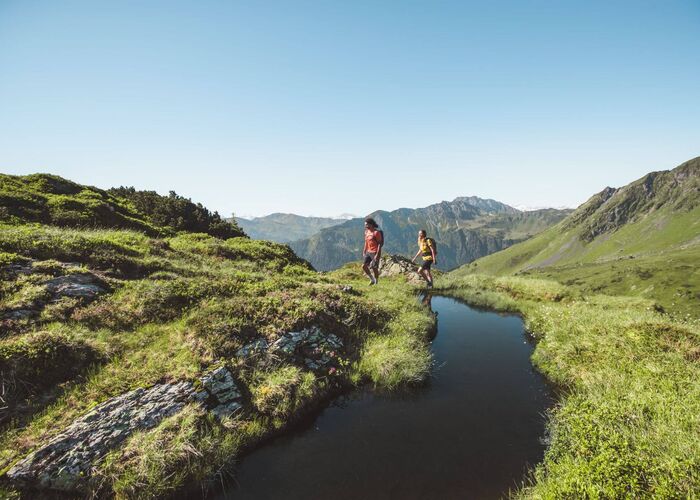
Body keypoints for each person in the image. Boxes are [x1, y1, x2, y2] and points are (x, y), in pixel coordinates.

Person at [362, 217, 383, 285]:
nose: (366, 226)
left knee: (374, 267)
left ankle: (376, 282)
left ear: (371, 224)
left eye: (367, 225)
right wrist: (364, 250)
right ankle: (372, 279)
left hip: (375, 252)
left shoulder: (376, 233)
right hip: (368, 251)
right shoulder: (366, 232)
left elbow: (380, 244)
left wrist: (377, 254)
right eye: (365, 225)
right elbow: (366, 242)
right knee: (364, 266)